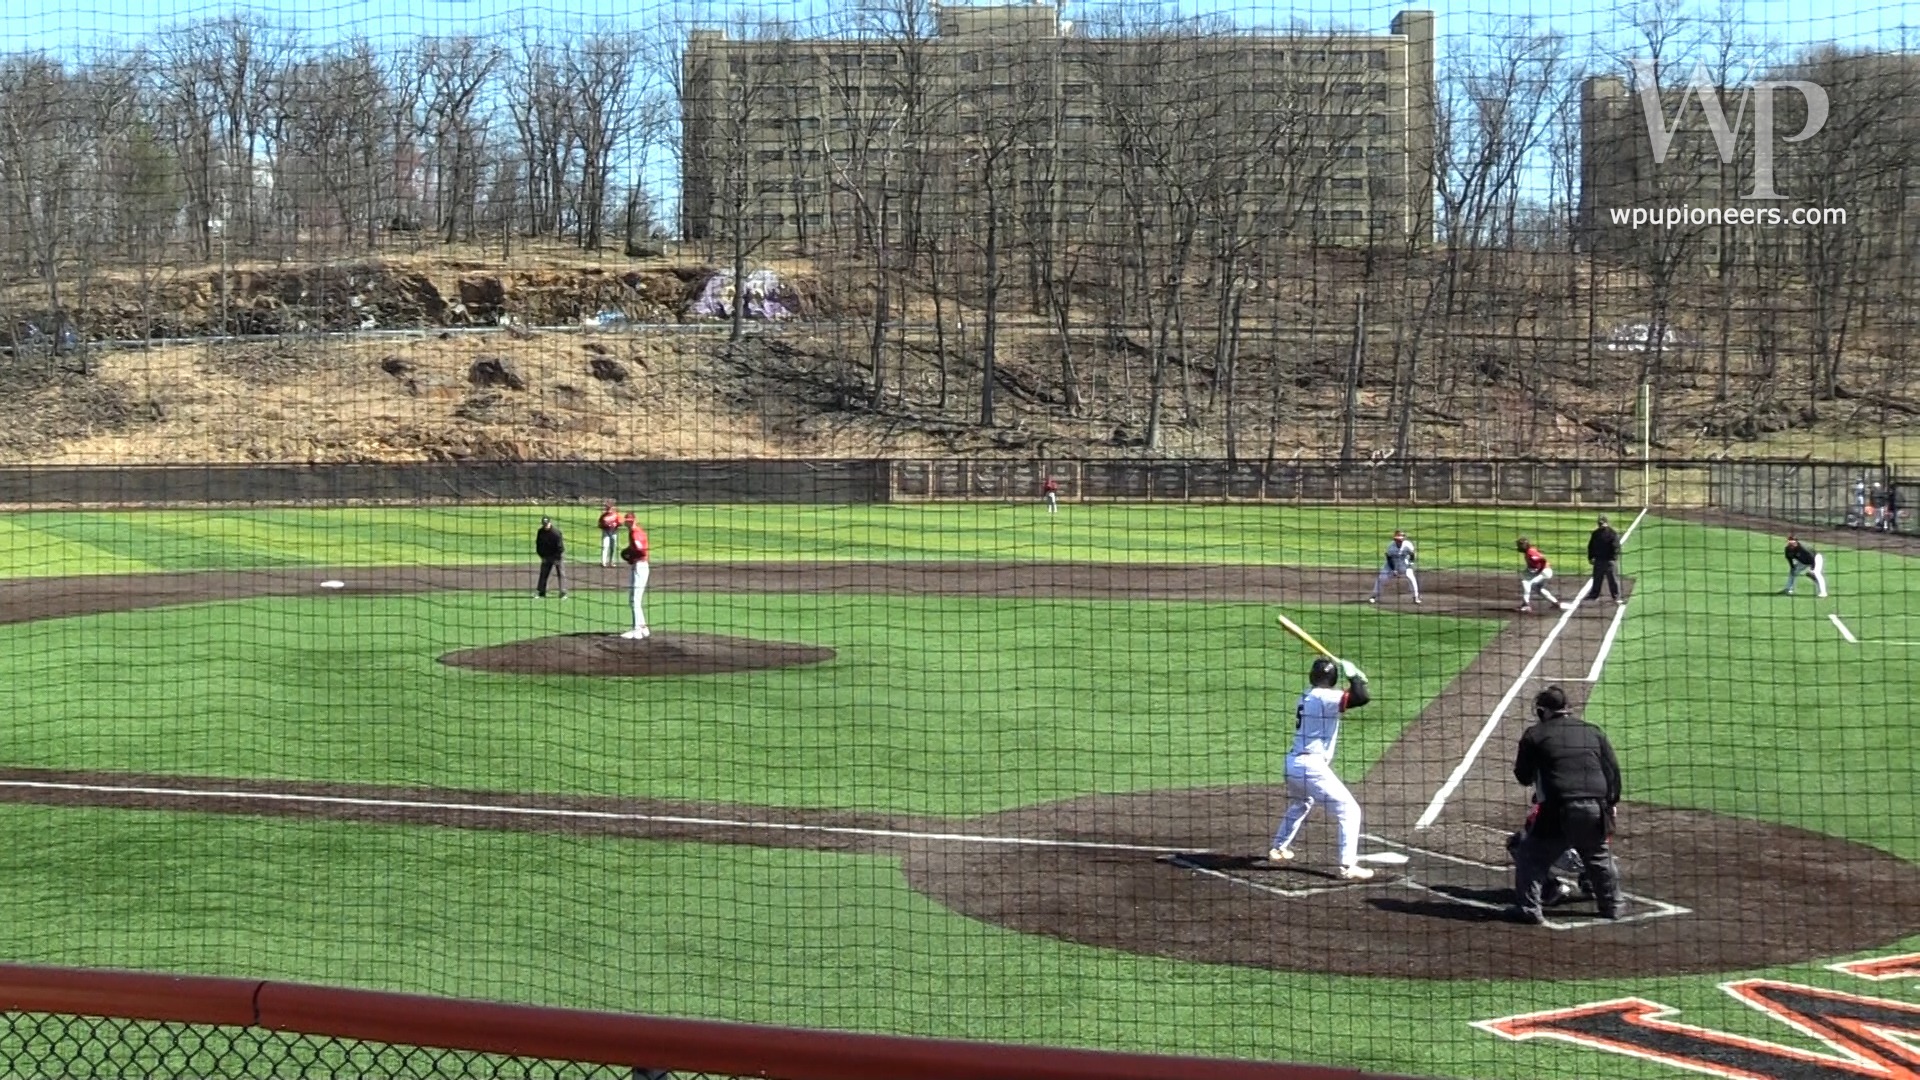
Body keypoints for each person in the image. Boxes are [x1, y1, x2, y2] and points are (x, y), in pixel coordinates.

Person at [1508, 685, 1623, 924]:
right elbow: (1612, 771)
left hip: (1559, 808)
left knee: (1530, 855)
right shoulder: (1593, 732)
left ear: (1543, 712)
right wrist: (1611, 802)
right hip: (1595, 807)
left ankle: (1530, 909)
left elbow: (1523, 776)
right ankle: (1612, 906)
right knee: (1599, 857)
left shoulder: (1535, 734)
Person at [1268, 655, 1377, 880]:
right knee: (1350, 810)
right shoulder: (1326, 697)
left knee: (1302, 802)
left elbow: (1355, 695)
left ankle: (1278, 848)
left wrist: (1357, 682)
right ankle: (1348, 866)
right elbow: (1362, 698)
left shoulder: (1307, 695)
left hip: (1293, 764)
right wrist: (1355, 677)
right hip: (1311, 767)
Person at [1368, 530, 1421, 605]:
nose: (1398, 541)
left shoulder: (1408, 545)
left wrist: (1410, 563)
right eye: (1397, 540)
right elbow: (1389, 559)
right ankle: (1373, 596)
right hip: (1391, 565)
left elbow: (1412, 554)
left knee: (1411, 577)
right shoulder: (1391, 546)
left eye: (1400, 540)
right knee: (1382, 578)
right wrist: (1394, 570)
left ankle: (1416, 597)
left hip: (1404, 564)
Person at [1515, 537, 1566, 614]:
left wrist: (1539, 570)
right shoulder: (1529, 551)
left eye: (1519, 545)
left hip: (1545, 572)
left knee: (1526, 583)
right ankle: (1556, 603)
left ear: (1524, 546)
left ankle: (1526, 605)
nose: (1518, 547)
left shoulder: (1530, 552)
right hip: (1545, 571)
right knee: (1538, 589)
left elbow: (1542, 560)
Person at [620, 513, 650, 640]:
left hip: (640, 566)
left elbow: (641, 550)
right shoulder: (637, 531)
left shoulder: (635, 533)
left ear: (634, 521)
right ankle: (643, 628)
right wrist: (628, 550)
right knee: (635, 599)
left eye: (631, 521)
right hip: (641, 566)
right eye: (627, 521)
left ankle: (637, 630)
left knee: (634, 600)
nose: (629, 522)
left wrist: (631, 554)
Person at [1586, 515, 1624, 605]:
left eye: (1602, 523)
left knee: (1613, 579)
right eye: (1600, 523)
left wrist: (1613, 558)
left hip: (1609, 561)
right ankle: (1594, 595)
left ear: (1606, 522)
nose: (1601, 525)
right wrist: (1591, 557)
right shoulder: (1595, 534)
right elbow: (1591, 546)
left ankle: (1616, 596)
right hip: (1599, 560)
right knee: (1597, 579)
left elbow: (1616, 547)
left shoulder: (1612, 533)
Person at [535, 517, 567, 599]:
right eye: (544, 524)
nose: (545, 526)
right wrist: (542, 556)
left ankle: (563, 592)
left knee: (561, 573)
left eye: (547, 524)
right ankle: (541, 592)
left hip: (557, 554)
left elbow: (560, 548)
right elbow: (538, 545)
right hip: (546, 555)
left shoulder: (555, 533)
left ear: (550, 523)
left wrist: (557, 558)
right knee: (543, 573)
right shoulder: (540, 532)